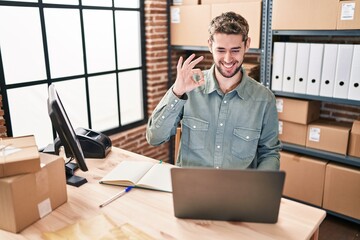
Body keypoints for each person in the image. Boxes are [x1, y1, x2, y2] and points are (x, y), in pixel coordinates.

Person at [146, 11, 281, 170]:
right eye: (221, 50)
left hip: (238, 190)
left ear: (247, 44)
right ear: (210, 45)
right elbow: (154, 138)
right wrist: (177, 91)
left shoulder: (264, 99)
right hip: (192, 187)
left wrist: (259, 187)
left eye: (235, 50)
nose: (228, 59)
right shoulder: (189, 87)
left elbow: (269, 153)